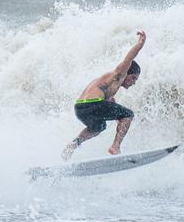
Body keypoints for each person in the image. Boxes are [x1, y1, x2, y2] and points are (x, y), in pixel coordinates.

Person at [61, 30, 146, 161]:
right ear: (127, 73)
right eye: (133, 78)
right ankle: (115, 147)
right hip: (93, 104)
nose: (134, 82)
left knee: (99, 126)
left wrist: (117, 114)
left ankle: (74, 144)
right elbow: (129, 59)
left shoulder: (105, 84)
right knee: (128, 114)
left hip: (80, 109)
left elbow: (108, 104)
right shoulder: (118, 75)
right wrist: (140, 44)